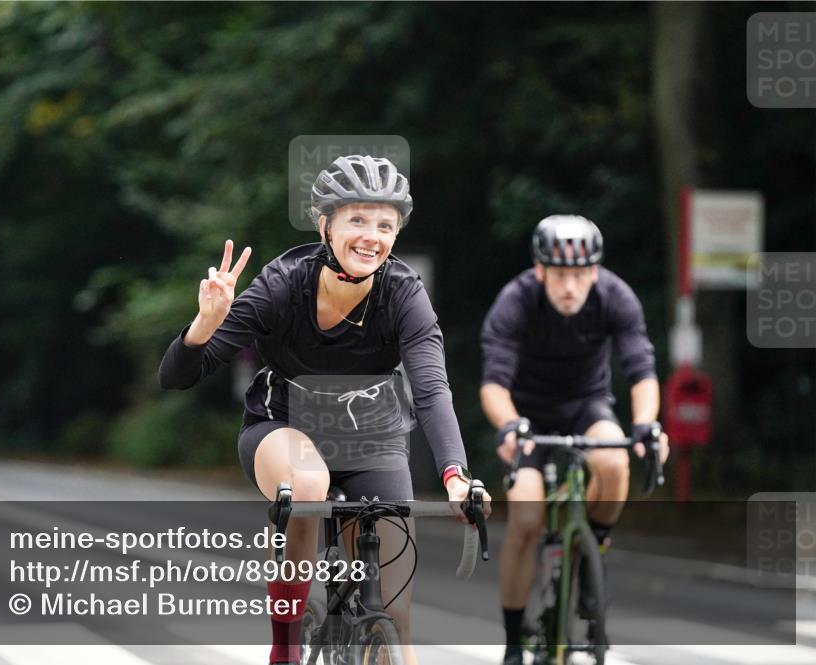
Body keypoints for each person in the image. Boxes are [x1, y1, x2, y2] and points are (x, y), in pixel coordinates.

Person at [159, 154, 489, 665]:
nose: (370, 237)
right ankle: (287, 645)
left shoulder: (404, 294)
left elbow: (431, 389)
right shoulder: (283, 284)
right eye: (357, 220)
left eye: (385, 224)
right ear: (326, 225)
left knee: (396, 625)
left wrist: (455, 475)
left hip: (371, 439)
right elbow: (177, 376)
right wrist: (204, 323)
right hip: (283, 428)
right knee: (309, 484)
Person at [478, 215, 670, 665]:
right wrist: (509, 426)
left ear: (595, 272)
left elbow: (642, 372)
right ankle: (512, 641)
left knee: (614, 462)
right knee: (526, 521)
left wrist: (646, 425)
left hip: (587, 406)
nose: (571, 286)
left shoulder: (615, 297)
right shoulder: (516, 300)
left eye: (581, 275)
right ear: (540, 270)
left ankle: (592, 553)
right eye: (560, 275)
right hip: (527, 416)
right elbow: (493, 384)